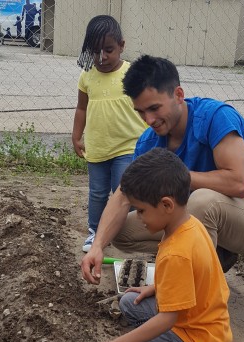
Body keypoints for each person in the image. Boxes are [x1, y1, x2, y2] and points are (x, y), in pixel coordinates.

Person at [81, 54, 244, 283]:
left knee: (201, 202)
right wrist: (98, 245)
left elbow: (239, 183)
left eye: (154, 108)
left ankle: (194, 294)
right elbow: (124, 195)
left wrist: (178, 176)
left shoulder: (215, 118)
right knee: (122, 231)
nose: (149, 120)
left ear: (179, 95)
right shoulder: (149, 142)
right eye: (141, 112)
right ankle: (195, 260)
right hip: (196, 216)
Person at [89, 148, 231, 342]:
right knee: (129, 302)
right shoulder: (191, 225)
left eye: (141, 210)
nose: (139, 217)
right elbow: (195, 276)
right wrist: (157, 287)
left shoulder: (177, 251)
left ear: (166, 204)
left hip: (197, 340)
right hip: (209, 324)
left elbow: (168, 319)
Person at [72, 15, 146, 252]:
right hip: (98, 147)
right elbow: (81, 108)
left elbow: (146, 107)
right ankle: (95, 232)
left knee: (125, 191)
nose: (102, 57)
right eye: (95, 52)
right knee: (97, 193)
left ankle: (129, 230)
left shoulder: (132, 74)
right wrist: (76, 136)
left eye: (109, 50)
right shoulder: (87, 76)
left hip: (128, 147)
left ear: (122, 46)